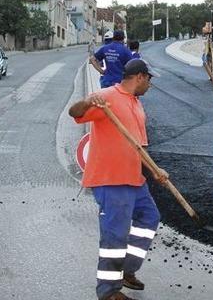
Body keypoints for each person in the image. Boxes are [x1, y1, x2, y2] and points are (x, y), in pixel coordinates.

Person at [68, 59, 166, 300]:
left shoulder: (136, 103)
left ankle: (126, 270)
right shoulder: (106, 96)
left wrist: (154, 170)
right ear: (140, 76)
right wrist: (89, 101)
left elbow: (139, 146)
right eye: (149, 79)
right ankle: (108, 291)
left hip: (134, 178)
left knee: (150, 218)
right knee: (115, 234)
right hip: (111, 180)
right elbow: (75, 113)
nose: (150, 85)